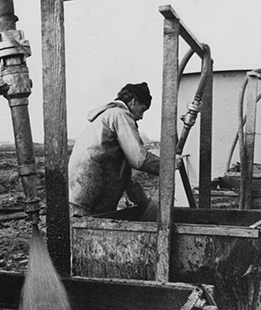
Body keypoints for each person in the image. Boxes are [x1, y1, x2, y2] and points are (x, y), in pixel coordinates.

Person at [68, 81, 180, 218]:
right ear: (133, 101)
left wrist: (144, 204)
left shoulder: (108, 117)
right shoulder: (120, 115)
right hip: (90, 186)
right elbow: (139, 159)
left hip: (82, 189)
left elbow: (127, 176)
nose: (141, 116)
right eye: (142, 109)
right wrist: (168, 166)